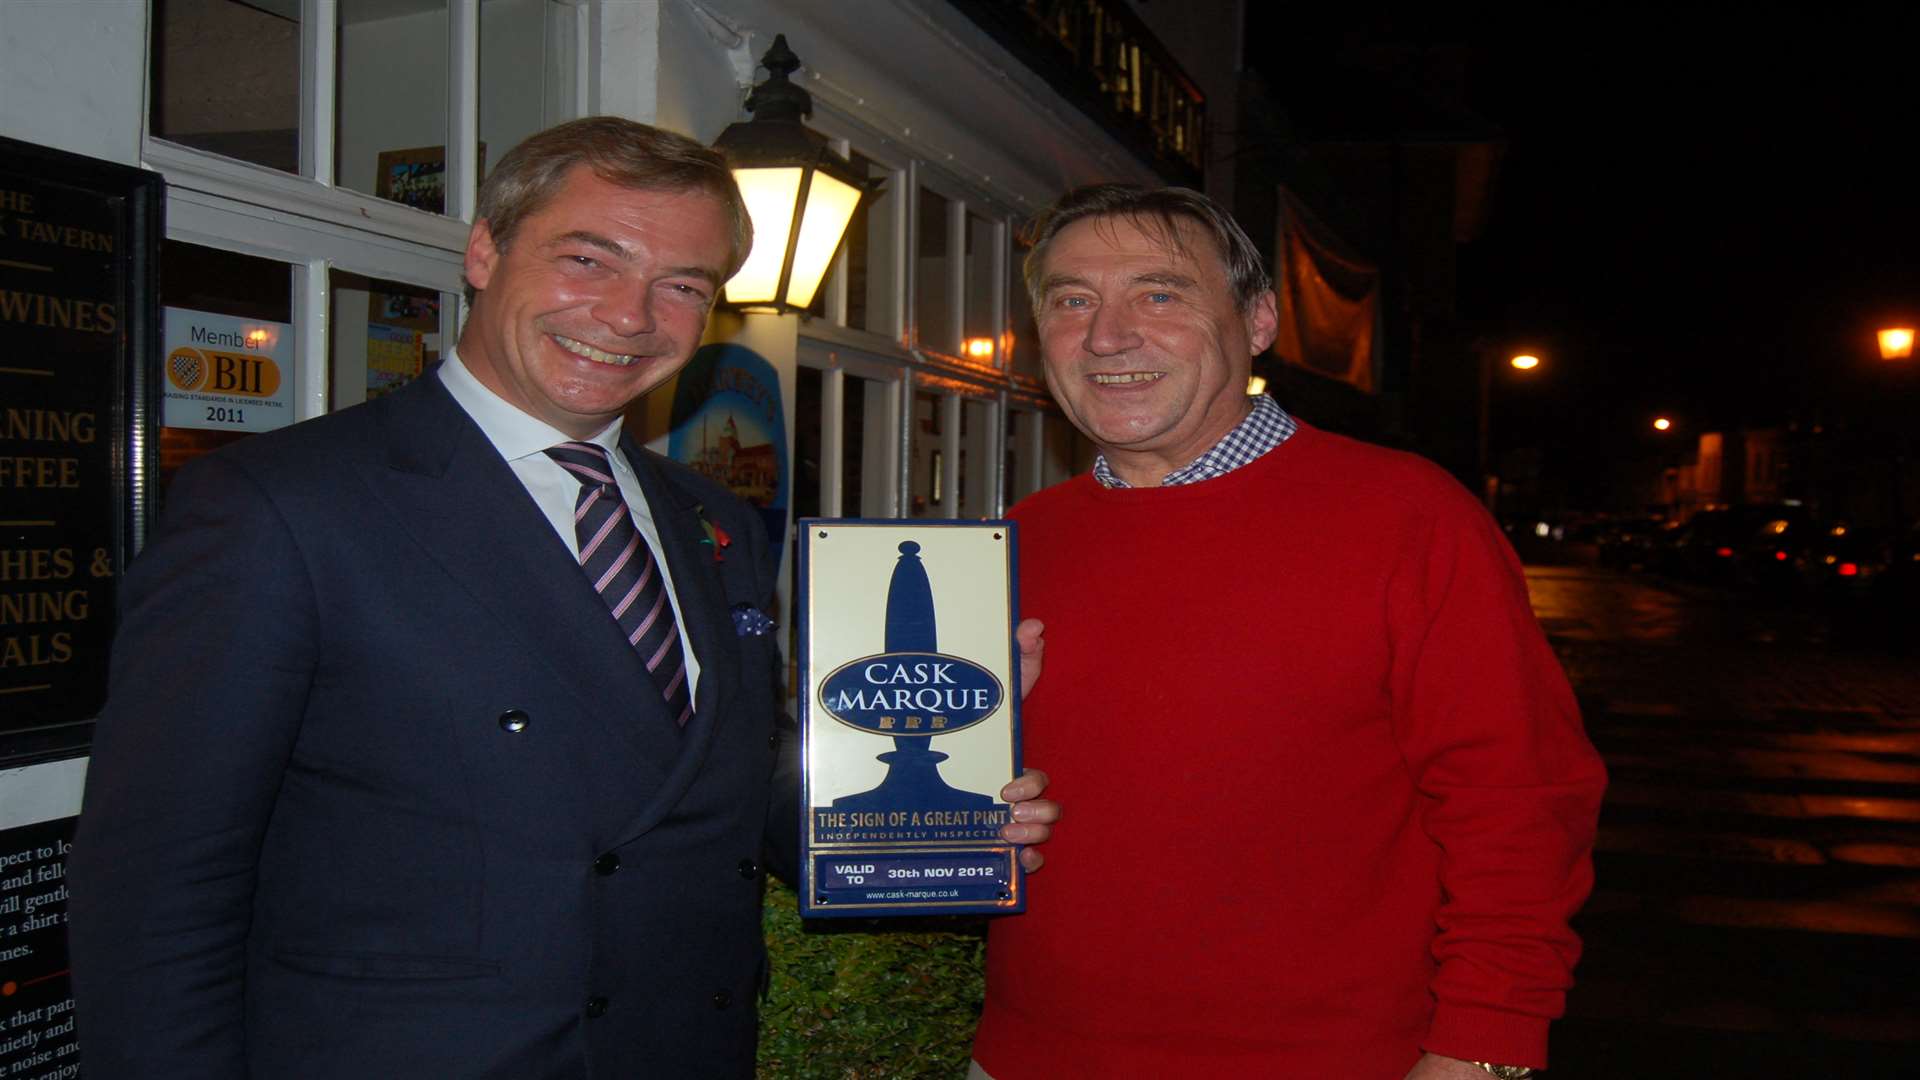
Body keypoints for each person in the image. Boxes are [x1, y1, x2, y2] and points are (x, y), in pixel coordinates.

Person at [67, 116, 1055, 1079]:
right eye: (588, 261)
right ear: (486, 252)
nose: (630, 317)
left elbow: (716, 789)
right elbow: (157, 887)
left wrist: (941, 814)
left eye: (681, 284)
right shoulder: (278, 507)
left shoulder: (710, 518)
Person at [969, 185, 1606, 1080]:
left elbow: (1519, 800)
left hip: (1335, 1059)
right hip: (1030, 1055)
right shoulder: (1013, 539)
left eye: (1160, 293)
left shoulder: (1408, 516)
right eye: (1073, 301)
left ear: (1259, 319)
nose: (1107, 336)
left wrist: (1483, 1043)